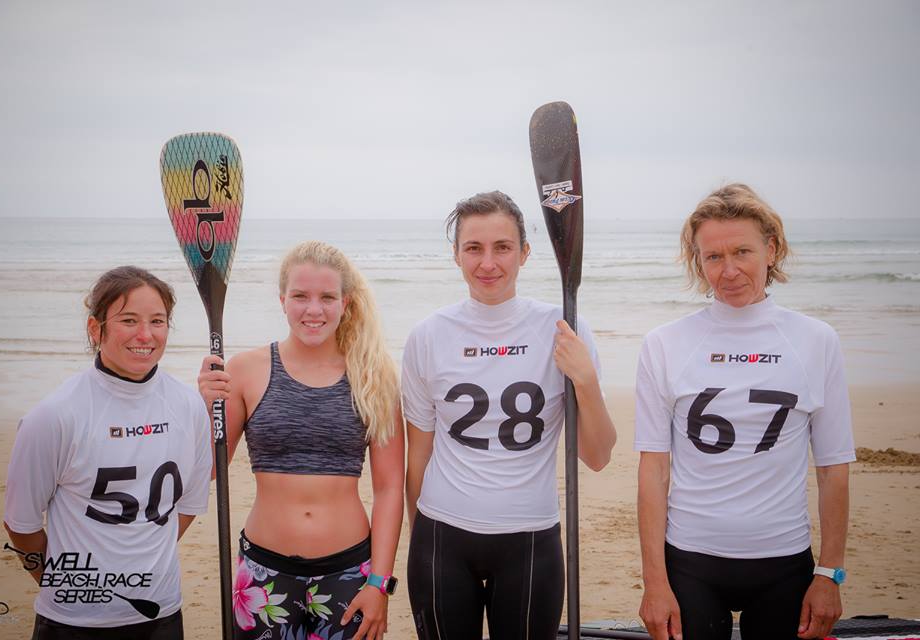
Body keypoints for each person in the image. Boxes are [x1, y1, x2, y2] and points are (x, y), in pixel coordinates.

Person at [635, 184, 855, 640]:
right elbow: (653, 469)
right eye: (713, 257)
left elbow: (833, 467)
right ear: (698, 261)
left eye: (742, 252)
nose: (729, 270)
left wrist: (829, 573)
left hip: (784, 562)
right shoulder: (664, 343)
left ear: (771, 250)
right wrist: (654, 582)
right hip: (690, 560)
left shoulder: (816, 340)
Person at [403, 191, 618, 640]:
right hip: (442, 536)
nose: (488, 263)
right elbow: (418, 453)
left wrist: (585, 380)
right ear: (456, 255)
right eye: (473, 248)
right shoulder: (428, 335)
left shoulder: (563, 328)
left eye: (502, 247)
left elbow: (598, 456)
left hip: (531, 538)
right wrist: (419, 536)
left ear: (524, 252)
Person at [197, 241, 404, 640]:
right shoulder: (245, 370)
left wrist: (379, 583)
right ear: (282, 301)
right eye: (300, 296)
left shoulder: (374, 377)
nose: (313, 309)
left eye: (327, 297)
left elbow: (390, 487)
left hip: (350, 571)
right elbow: (208, 469)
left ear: (345, 303)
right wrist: (206, 408)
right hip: (263, 571)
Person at [3, 266, 212, 640]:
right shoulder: (53, 416)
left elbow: (188, 506)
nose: (145, 335)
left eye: (157, 321)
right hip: (71, 623)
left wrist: (140, 560)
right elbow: (21, 525)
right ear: (95, 328)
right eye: (128, 320)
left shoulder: (189, 407)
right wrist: (63, 584)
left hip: (161, 613)